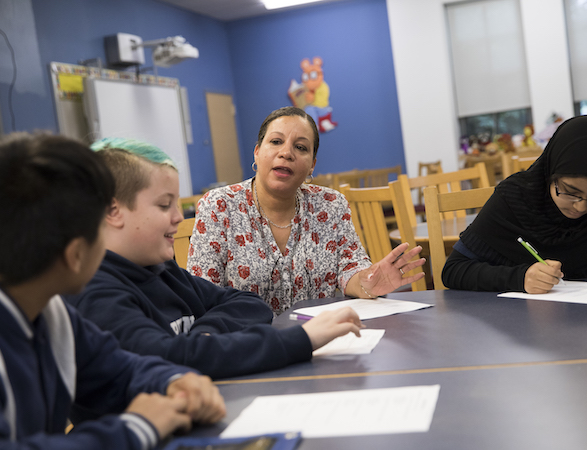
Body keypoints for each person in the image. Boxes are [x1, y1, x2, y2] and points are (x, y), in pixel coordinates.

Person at [65, 137, 363, 380]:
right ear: (112, 211)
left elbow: (249, 304)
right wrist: (300, 340)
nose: (178, 217)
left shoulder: (163, 271)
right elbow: (170, 359)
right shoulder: (94, 294)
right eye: (164, 205)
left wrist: (204, 335)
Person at [0, 133, 225, 449]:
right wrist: (136, 427)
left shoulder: (50, 312)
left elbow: (119, 368)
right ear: (76, 255)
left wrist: (173, 380)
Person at [188, 106, 425, 314]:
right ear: (257, 153)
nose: (286, 153)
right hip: (249, 344)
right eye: (276, 141)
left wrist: (367, 282)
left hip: (321, 340)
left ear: (312, 165)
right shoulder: (218, 206)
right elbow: (202, 294)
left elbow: (350, 268)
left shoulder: (331, 205)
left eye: (300, 147)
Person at [441, 115, 587, 294]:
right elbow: (453, 270)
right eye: (570, 192)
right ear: (550, 173)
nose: (580, 207)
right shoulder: (516, 197)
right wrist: (519, 278)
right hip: (527, 325)